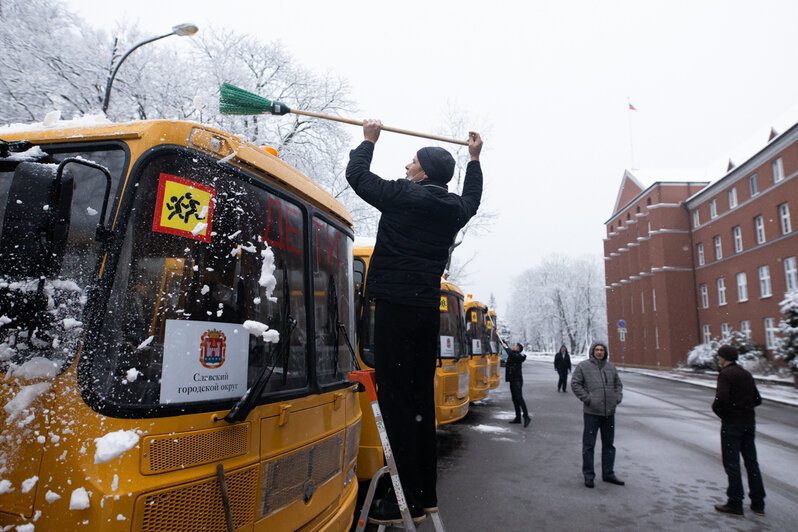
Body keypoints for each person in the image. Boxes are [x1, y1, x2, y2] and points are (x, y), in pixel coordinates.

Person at [346, 120, 483, 525]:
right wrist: (475, 160)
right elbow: (472, 198)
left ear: (423, 171)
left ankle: (398, 496)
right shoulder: (454, 209)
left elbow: (357, 176)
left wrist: (368, 140)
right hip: (425, 310)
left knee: (395, 403)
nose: (407, 166)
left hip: (394, 307)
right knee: (420, 400)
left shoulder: (403, 195)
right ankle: (425, 496)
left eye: (412, 162)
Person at [712, 345, 766, 517]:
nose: (718, 359)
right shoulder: (746, 374)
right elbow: (757, 399)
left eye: (719, 356)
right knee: (752, 462)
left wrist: (722, 412)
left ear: (724, 358)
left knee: (732, 463)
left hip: (732, 424)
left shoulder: (726, 374)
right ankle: (758, 503)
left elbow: (722, 398)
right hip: (749, 423)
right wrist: (745, 408)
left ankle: (735, 502)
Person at [571, 342, 624, 488]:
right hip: (592, 413)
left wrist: (616, 398)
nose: (599, 352)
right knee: (589, 445)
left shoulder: (611, 367)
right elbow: (575, 384)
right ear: (592, 351)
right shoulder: (584, 366)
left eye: (602, 350)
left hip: (609, 413)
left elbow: (618, 385)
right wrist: (588, 399)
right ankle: (589, 475)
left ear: (605, 352)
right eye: (597, 350)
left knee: (609, 444)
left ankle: (608, 473)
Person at [503, 340, 531, 427]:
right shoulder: (514, 354)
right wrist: (502, 341)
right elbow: (510, 352)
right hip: (512, 379)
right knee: (514, 399)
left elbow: (511, 354)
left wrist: (506, 347)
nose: (513, 346)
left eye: (515, 346)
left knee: (519, 398)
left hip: (517, 380)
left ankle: (526, 417)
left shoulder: (518, 356)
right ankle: (518, 417)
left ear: (518, 348)